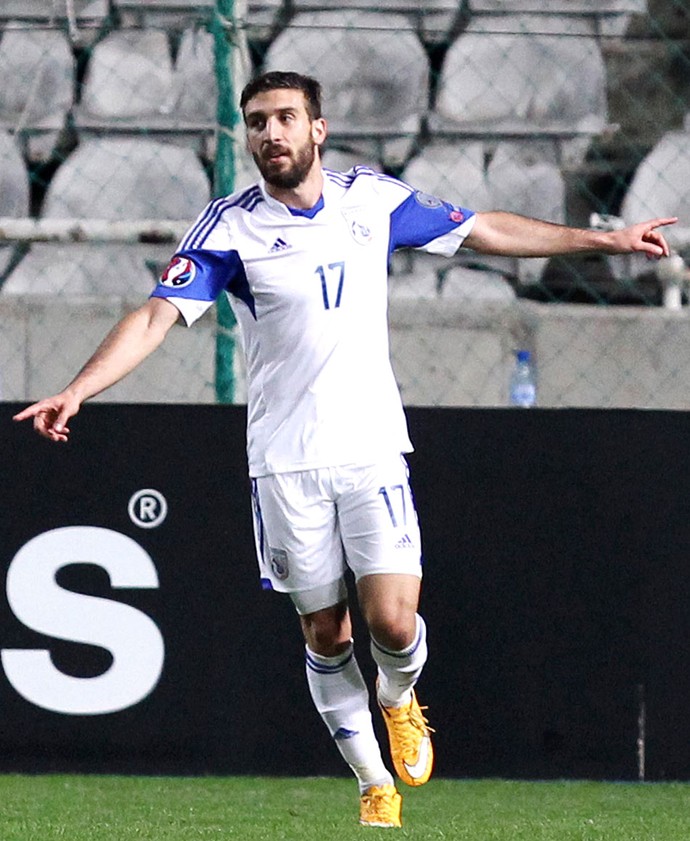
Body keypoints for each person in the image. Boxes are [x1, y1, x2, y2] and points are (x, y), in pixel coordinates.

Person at [14, 70, 676, 828]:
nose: (271, 133)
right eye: (257, 121)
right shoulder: (228, 228)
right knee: (326, 633)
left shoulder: (373, 202)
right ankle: (372, 780)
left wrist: (603, 238)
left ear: (318, 129)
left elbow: (484, 227)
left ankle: (397, 697)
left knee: (393, 624)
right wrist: (79, 387)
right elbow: (157, 314)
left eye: (286, 118)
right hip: (285, 463)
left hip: (369, 448)